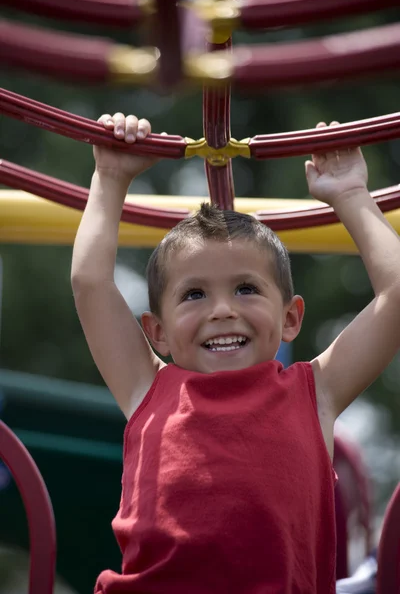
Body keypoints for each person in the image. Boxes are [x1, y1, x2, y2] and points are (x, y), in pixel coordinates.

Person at [71, 112, 400, 594]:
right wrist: (111, 177)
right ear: (157, 332)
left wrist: (350, 195)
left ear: (290, 317)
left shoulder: (315, 393)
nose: (223, 310)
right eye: (194, 294)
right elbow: (90, 283)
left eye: (246, 289)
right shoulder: (148, 386)